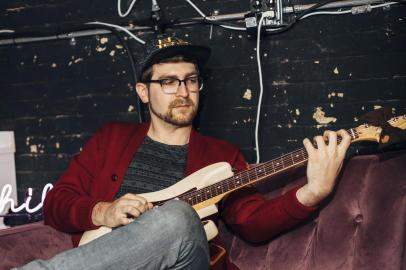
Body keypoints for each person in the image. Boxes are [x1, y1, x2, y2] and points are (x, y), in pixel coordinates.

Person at [16, 35, 351, 270]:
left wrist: (312, 193)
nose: (184, 92)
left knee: (178, 216)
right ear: (143, 93)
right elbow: (56, 203)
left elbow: (251, 222)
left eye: (191, 80)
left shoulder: (221, 155)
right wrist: (103, 211)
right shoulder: (111, 139)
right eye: (169, 82)